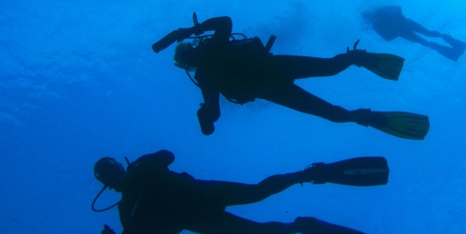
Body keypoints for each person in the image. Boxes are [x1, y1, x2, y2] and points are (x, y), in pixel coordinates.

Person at [93, 151, 388, 234]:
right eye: (109, 174)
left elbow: (167, 156)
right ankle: (302, 226)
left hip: (199, 194)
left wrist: (142, 166)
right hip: (197, 218)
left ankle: (308, 174)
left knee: (257, 192)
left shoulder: (140, 171)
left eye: (113, 168)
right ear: (107, 183)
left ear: (118, 167)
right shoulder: (126, 211)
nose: (114, 175)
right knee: (259, 233)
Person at [152, 13, 430, 140]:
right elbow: (212, 107)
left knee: (329, 79)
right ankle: (364, 111)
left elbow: (225, 22)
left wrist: (207, 120)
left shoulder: (209, 61)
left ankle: (359, 64)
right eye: (187, 56)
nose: (191, 57)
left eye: (188, 53)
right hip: (272, 80)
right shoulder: (206, 74)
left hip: (272, 78)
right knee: (329, 98)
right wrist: (205, 119)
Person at [363, 5, 466, 62]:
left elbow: (397, 8)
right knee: (424, 40)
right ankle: (453, 51)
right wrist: (394, 29)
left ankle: (453, 44)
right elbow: (387, 38)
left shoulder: (380, 11)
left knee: (428, 34)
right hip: (404, 30)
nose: (371, 18)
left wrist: (394, 23)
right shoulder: (376, 25)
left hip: (406, 25)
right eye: (369, 18)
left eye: (369, 16)